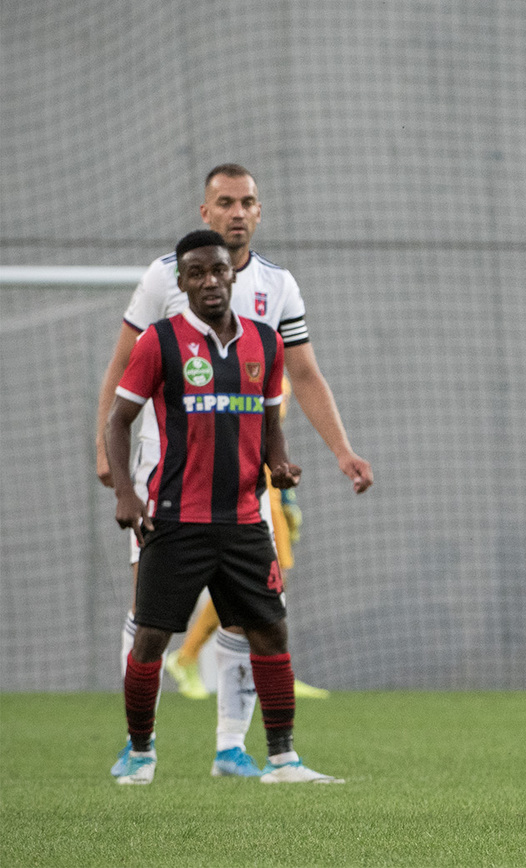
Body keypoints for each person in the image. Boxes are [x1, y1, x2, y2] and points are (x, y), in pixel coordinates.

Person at [95, 164, 372, 778]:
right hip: (166, 487)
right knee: (150, 623)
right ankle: (138, 747)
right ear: (205, 211)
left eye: (247, 201)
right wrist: (108, 460)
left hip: (245, 493)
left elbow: (296, 382)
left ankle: (241, 749)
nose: (237, 211)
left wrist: (330, 452)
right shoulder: (162, 293)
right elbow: (121, 376)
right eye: (225, 201)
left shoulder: (274, 301)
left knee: (260, 623)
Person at [162, 376, 331, 703]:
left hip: (267, 485)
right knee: (257, 580)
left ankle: (264, 668)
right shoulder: (236, 368)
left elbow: (271, 435)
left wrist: (287, 499)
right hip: (243, 485)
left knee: (272, 580)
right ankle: (191, 657)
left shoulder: (276, 369)